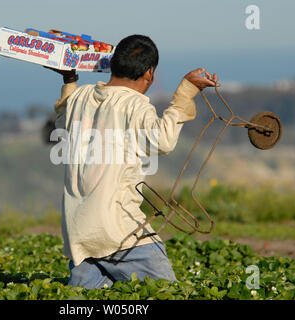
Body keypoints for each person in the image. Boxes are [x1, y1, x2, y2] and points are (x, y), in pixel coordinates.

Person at [47, 34, 219, 289]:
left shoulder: (80, 98)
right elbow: (163, 141)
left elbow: (63, 119)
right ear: (149, 73)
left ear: (113, 65)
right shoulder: (135, 105)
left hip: (79, 235)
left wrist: (69, 79)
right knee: (168, 292)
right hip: (120, 232)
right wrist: (187, 90)